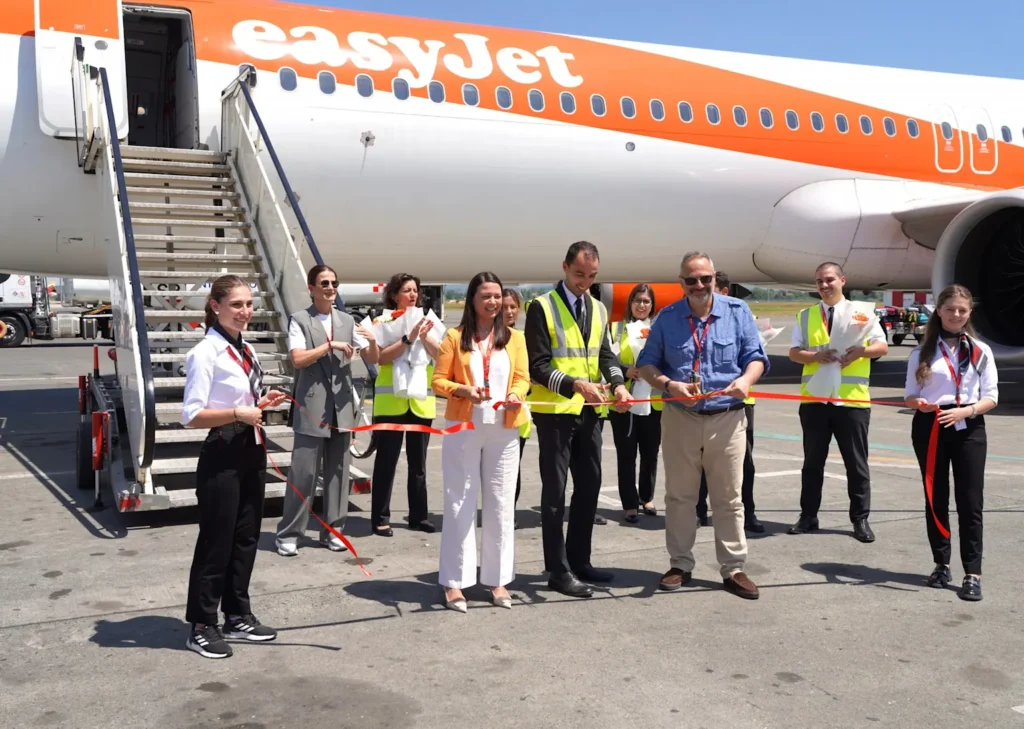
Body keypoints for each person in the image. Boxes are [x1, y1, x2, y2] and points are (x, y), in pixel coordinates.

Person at [637, 252, 768, 600]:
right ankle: (680, 564)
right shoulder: (667, 318)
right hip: (681, 418)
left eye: (705, 279)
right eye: (691, 279)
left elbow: (756, 357)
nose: (698, 285)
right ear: (681, 282)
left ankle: (734, 568)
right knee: (679, 496)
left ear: (714, 279)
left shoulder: (737, 313)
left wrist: (746, 380)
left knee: (729, 497)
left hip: (727, 418)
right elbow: (647, 364)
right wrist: (668, 385)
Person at [181, 275, 288, 659]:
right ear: (216, 306)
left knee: (246, 537)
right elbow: (191, 415)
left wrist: (263, 402)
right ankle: (201, 623)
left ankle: (237, 613)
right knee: (217, 540)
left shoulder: (246, 350)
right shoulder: (205, 353)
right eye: (237, 305)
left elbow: (247, 399)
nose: (245, 312)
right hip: (222, 450)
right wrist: (236, 413)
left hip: (251, 449)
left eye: (248, 304)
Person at [525, 241, 631, 598]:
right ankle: (557, 569)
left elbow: (605, 354)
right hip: (555, 413)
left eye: (592, 276)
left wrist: (617, 385)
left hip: (591, 412)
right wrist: (576, 386)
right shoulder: (541, 307)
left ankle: (579, 560)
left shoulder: (599, 309)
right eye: (579, 274)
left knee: (589, 488)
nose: (585, 281)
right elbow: (537, 366)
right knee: (555, 494)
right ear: (565, 268)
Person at [432, 272, 531, 612]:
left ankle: (498, 579)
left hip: (504, 428)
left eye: (497, 296)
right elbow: (438, 381)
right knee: (460, 500)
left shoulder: (515, 338)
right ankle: (454, 583)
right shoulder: (454, 337)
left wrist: (517, 394)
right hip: (465, 425)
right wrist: (463, 390)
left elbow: (522, 378)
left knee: (501, 503)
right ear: (473, 299)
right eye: (486, 296)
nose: (493, 302)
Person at [275, 265, 380, 557]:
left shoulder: (347, 320)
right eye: (324, 282)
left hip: (341, 407)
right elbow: (298, 359)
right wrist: (329, 345)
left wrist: (371, 340)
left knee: (338, 471)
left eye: (334, 282)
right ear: (311, 288)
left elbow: (374, 358)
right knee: (304, 472)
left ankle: (334, 529)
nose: (330, 287)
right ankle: (290, 532)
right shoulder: (300, 320)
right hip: (312, 406)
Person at [904, 285, 997, 601]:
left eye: (962, 310)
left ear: (969, 313)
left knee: (971, 501)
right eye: (950, 309)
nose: (956, 315)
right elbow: (910, 394)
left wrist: (966, 410)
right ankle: (941, 564)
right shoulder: (921, 352)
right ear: (939, 311)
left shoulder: (980, 350)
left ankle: (973, 572)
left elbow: (991, 397)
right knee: (935, 496)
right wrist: (920, 403)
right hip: (930, 425)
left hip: (968, 424)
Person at [787, 262, 888, 542]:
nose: (824, 285)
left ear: (842, 280)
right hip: (815, 401)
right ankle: (808, 516)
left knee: (856, 465)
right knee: (812, 464)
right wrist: (814, 356)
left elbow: (882, 346)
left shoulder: (862, 312)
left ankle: (860, 519)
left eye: (829, 279)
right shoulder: (806, 315)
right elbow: (794, 352)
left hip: (851, 402)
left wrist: (861, 352)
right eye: (819, 281)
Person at [370, 273, 442, 536]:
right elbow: (380, 358)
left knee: (419, 465)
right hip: (391, 404)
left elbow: (441, 356)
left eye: (415, 291)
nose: (413, 295)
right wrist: (408, 338)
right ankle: (380, 517)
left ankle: (419, 516)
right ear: (394, 295)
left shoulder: (430, 321)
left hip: (420, 404)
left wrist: (424, 337)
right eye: (407, 291)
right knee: (386, 462)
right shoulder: (383, 321)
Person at [696, 271, 763, 532]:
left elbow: (755, 356)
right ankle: (699, 509)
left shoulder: (741, 315)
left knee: (743, 462)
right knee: (701, 458)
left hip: (740, 402)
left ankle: (748, 511)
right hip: (708, 404)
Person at [609, 283, 662, 524]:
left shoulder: (660, 329)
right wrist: (625, 371)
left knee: (650, 453)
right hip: (625, 401)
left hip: (654, 401)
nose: (642, 305)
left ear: (652, 305)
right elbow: (605, 359)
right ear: (630, 303)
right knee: (627, 454)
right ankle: (629, 503)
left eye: (646, 301)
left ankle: (647, 497)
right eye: (638, 300)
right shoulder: (616, 329)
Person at [503, 287, 531, 528]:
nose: (509, 311)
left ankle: (509, 512)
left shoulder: (521, 339)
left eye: (513, 306)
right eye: (504, 307)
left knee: (513, 469)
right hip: (491, 416)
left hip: (516, 415)